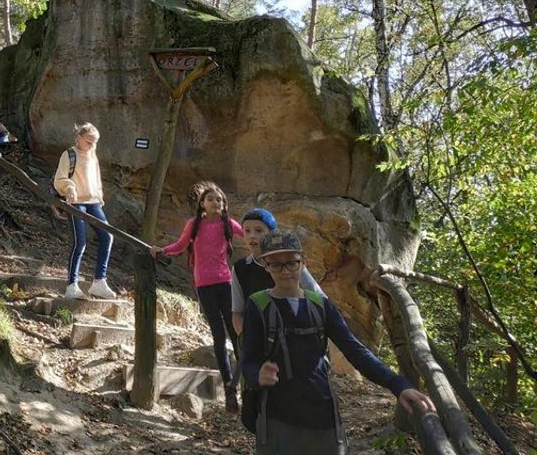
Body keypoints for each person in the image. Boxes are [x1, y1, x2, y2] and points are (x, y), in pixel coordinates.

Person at [241, 230, 436, 454]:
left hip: (322, 415)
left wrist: (397, 385)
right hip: (277, 419)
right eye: (276, 264)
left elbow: (354, 350)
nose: (285, 271)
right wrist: (258, 375)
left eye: (291, 263)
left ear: (303, 262)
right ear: (265, 265)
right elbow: (248, 362)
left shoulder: (320, 306)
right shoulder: (257, 306)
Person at [151, 181, 244, 413]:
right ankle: (229, 388)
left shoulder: (227, 224)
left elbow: (250, 235)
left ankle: (242, 382)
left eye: (220, 200)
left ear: (224, 205)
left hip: (225, 283)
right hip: (205, 285)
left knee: (236, 333)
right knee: (218, 335)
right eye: (211, 199)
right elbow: (181, 245)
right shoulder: (194, 225)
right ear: (202, 203)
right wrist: (161, 250)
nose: (216, 202)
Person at [231, 208, 324, 336]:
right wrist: (247, 340)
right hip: (260, 338)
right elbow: (237, 312)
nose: (252, 235)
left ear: (272, 233)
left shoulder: (291, 262)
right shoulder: (240, 269)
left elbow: (319, 297)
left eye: (259, 230)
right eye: (247, 231)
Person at [53, 123, 116, 301]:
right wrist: (69, 188)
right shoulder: (69, 154)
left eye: (95, 143)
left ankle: (99, 281)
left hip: (93, 202)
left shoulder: (93, 156)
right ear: (79, 138)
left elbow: (96, 180)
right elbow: (60, 178)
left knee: (107, 236)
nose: (92, 146)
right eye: (89, 142)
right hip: (76, 202)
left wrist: (99, 198)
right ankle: (72, 285)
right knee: (80, 242)